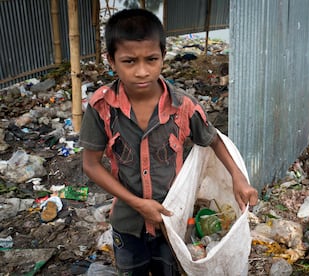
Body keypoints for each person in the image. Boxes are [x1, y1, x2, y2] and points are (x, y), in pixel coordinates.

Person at [79, 8, 258, 276]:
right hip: (128, 222)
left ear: (163, 56)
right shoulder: (101, 108)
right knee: (132, 270)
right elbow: (91, 165)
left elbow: (214, 141)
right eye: (129, 61)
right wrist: (138, 204)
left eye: (151, 59)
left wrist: (237, 177)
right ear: (111, 61)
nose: (142, 71)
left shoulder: (184, 107)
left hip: (172, 221)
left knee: (170, 270)